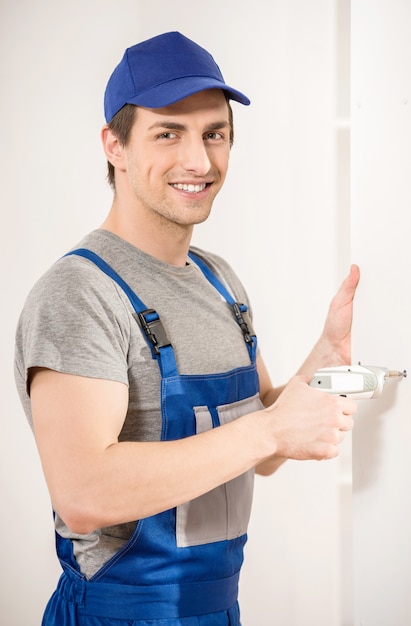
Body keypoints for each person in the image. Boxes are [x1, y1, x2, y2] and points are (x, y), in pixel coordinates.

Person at [14, 31, 359, 626]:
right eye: (168, 133)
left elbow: (261, 441)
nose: (199, 161)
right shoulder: (80, 293)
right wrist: (272, 431)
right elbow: (85, 493)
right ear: (114, 146)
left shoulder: (219, 280)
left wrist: (323, 358)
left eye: (214, 133)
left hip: (219, 612)